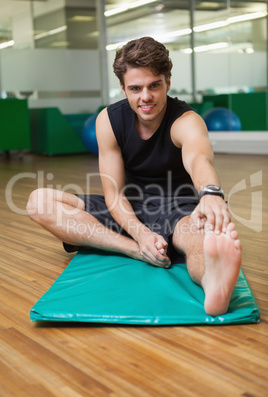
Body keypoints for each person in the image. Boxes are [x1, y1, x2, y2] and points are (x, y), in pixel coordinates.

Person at [27, 37, 241, 316]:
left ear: (168, 81)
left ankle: (214, 281)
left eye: (154, 85)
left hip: (178, 209)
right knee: (38, 201)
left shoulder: (186, 121)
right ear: (123, 88)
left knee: (197, 240)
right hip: (129, 208)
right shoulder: (109, 120)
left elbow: (198, 158)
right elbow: (114, 194)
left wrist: (210, 193)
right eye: (135, 88)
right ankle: (133, 250)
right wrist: (139, 237)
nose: (146, 97)